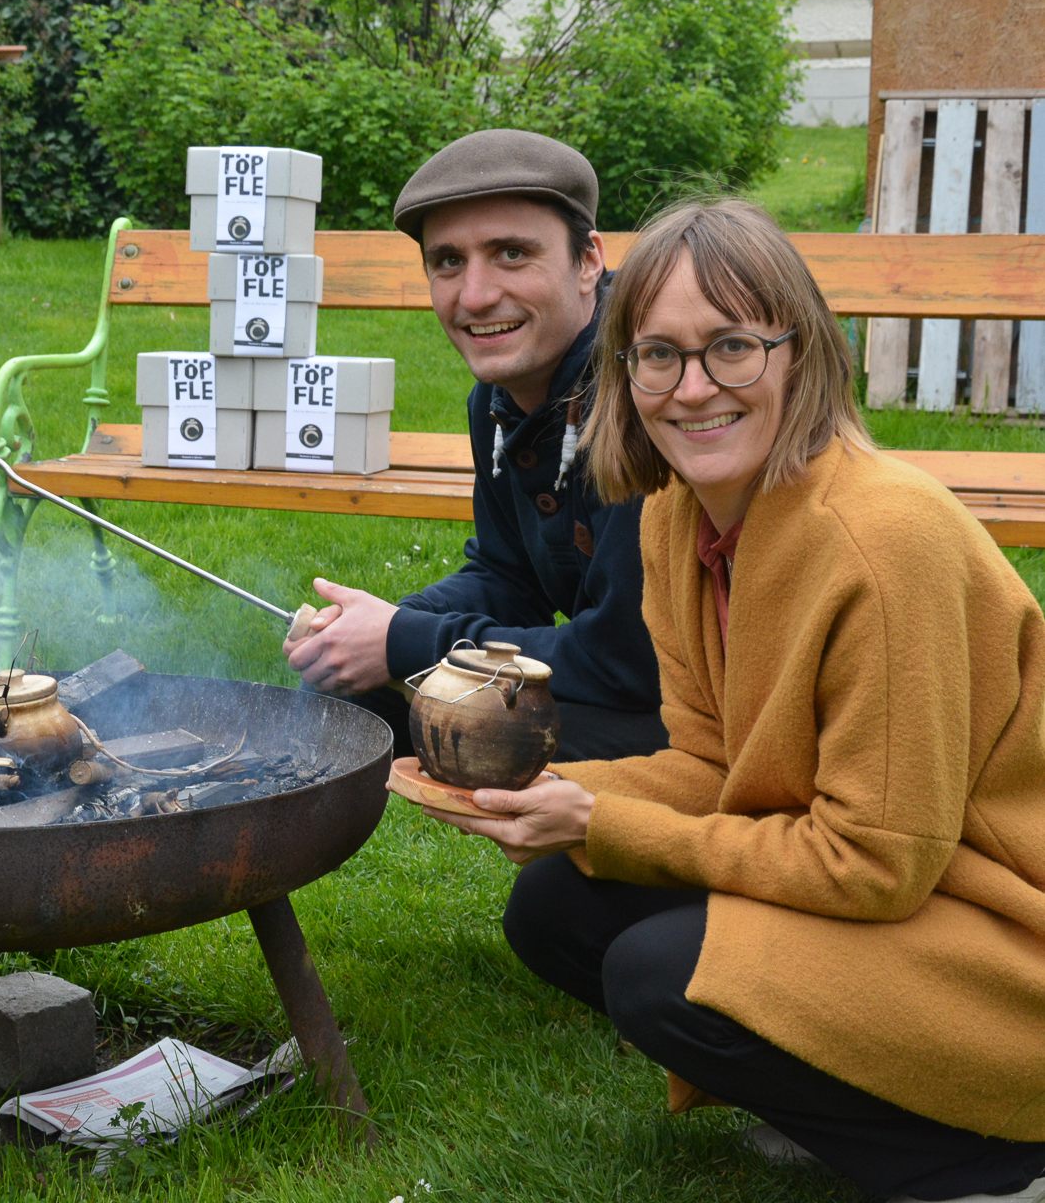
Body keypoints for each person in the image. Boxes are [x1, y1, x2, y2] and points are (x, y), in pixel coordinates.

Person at [429, 197, 1045, 1203]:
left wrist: (604, 820)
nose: (691, 389)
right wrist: (543, 790)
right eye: (658, 355)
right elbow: (711, 765)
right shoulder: (678, 519)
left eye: (730, 348)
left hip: (1000, 932)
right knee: (556, 907)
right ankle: (857, 1087)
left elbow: (875, 862)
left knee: (656, 973)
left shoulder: (882, 544)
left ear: (799, 355)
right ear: (619, 377)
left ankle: (986, 1161)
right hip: (909, 892)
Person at [283, 129, 666, 761]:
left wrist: (408, 640)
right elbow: (510, 576)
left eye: (512, 253)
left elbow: (627, 659)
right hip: (632, 679)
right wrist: (381, 624)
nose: (476, 295)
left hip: (721, 720)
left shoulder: (650, 389)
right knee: (353, 695)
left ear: (589, 260)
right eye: (448, 262)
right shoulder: (499, 397)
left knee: (469, 712)